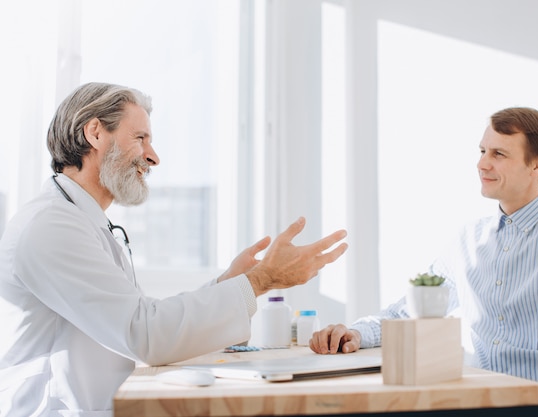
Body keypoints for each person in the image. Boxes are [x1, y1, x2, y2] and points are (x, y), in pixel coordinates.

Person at [0, 82, 348, 417]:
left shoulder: (82, 222)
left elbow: (145, 318)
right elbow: (145, 335)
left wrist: (231, 281)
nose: (152, 157)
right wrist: (259, 281)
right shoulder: (51, 227)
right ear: (94, 133)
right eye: (140, 138)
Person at [310, 107, 538, 417]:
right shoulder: (469, 239)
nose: (482, 163)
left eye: (499, 154)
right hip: (485, 403)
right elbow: (413, 311)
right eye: (482, 151)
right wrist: (358, 334)